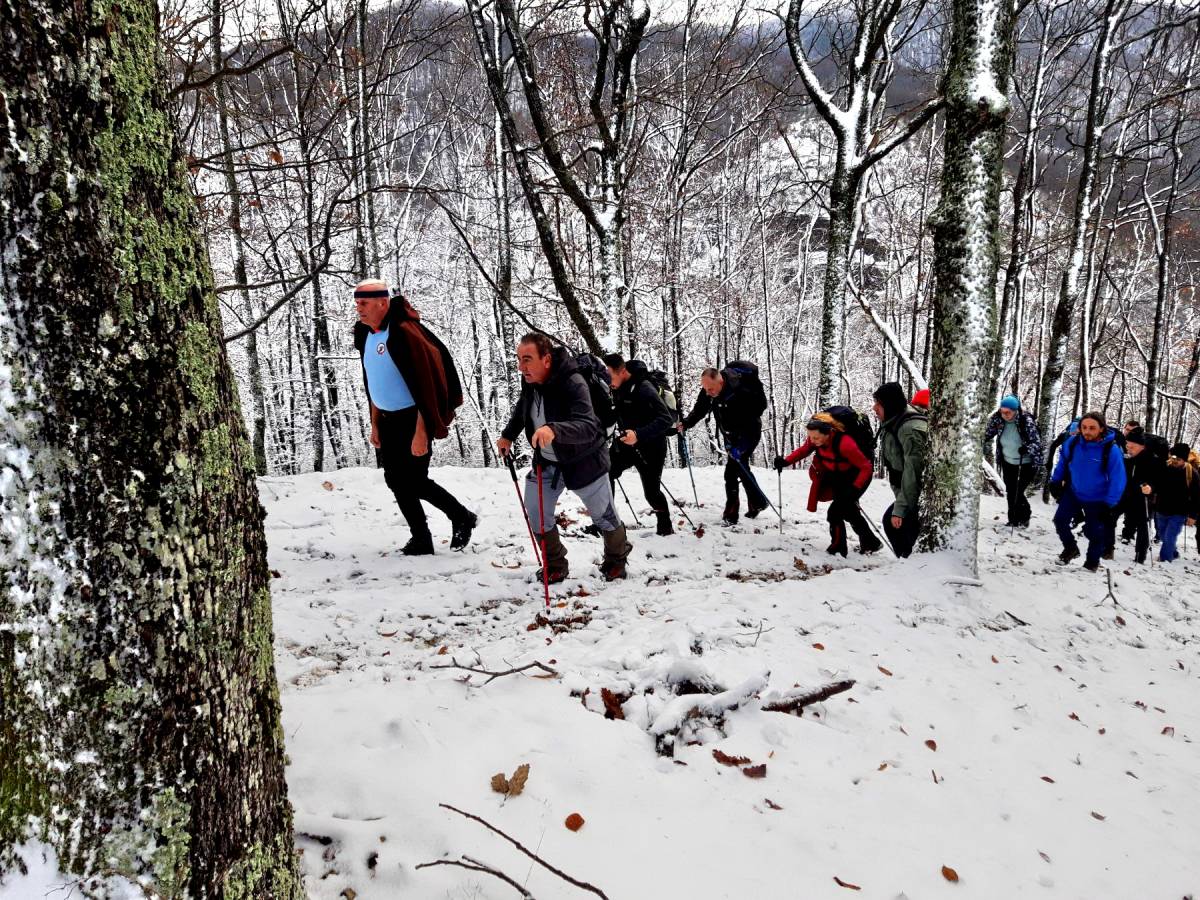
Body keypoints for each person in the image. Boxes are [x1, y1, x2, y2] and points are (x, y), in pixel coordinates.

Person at [352, 279, 476, 556]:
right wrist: (375, 423)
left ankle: (462, 516)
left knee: (415, 480)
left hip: (412, 419)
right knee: (395, 480)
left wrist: (422, 430)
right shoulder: (366, 335)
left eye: (364, 303)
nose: (358, 309)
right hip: (386, 419)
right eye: (357, 303)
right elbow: (372, 381)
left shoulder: (405, 333)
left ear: (382, 303)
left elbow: (425, 385)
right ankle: (420, 538)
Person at [497, 333, 631, 582]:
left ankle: (616, 559)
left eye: (527, 359)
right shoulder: (531, 380)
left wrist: (554, 430)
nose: (520, 366)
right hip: (548, 462)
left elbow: (589, 425)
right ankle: (555, 564)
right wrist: (508, 435)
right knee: (536, 511)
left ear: (546, 359)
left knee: (604, 515)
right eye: (518, 359)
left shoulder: (573, 382)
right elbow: (524, 406)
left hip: (585, 461)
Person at [773, 412, 882, 556]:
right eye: (811, 437)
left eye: (816, 437)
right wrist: (786, 461)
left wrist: (855, 488)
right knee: (849, 511)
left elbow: (866, 467)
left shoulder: (845, 443)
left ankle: (838, 548)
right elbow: (804, 450)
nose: (813, 440)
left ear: (828, 433)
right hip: (836, 476)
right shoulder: (816, 439)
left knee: (835, 512)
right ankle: (871, 542)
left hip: (856, 478)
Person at [678, 362, 769, 525]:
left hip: (749, 433)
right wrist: (686, 423)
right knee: (741, 467)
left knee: (732, 471)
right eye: (705, 389)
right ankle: (757, 502)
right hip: (730, 434)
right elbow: (700, 409)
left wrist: (741, 446)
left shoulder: (742, 390)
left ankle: (731, 513)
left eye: (710, 389)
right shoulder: (710, 390)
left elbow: (757, 411)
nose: (707, 392)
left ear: (721, 382)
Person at [604, 354, 676, 536]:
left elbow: (666, 419)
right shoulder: (618, 387)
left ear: (622, 371)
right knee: (606, 472)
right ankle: (606, 523)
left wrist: (638, 434)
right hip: (626, 444)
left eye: (610, 375)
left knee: (651, 493)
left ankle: (665, 525)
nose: (608, 380)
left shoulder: (644, 388)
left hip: (652, 447)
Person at [1046, 411, 1126, 571]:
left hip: (1098, 498)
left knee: (1094, 532)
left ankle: (1091, 563)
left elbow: (1118, 479)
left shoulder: (1111, 450)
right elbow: (1062, 462)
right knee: (1060, 521)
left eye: (1092, 428)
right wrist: (1055, 481)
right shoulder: (1072, 443)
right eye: (1084, 427)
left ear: (1102, 429)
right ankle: (1071, 548)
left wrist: (1109, 504)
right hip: (1074, 492)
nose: (1087, 431)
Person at [872, 381, 928, 557]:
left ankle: (910, 568)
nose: (874, 408)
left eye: (878, 404)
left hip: (916, 494)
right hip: (906, 491)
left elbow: (913, 474)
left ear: (889, 405)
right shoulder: (893, 420)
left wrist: (901, 509)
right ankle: (908, 565)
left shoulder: (909, 429)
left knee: (894, 524)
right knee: (896, 527)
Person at [983, 395, 1042, 528]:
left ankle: (1025, 515)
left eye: (1008, 412)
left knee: (1018, 491)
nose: (1005, 415)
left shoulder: (1025, 420)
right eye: (1002, 411)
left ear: (1016, 410)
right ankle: (1013, 519)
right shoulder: (998, 419)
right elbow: (988, 433)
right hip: (1008, 461)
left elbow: (1036, 442)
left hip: (1026, 463)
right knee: (1011, 491)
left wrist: (1027, 448)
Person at [1111, 428, 1161, 564]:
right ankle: (1108, 548)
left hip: (1142, 498)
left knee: (1143, 527)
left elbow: (1159, 481)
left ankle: (1141, 555)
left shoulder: (1153, 460)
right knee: (1110, 516)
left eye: (1132, 446)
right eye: (1127, 445)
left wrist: (1150, 488)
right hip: (1125, 495)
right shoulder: (1127, 458)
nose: (1128, 448)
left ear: (1142, 446)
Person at [1151, 443, 1199, 563]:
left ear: (1184, 460)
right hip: (1161, 508)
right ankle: (1173, 552)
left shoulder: (1192, 474)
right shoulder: (1164, 468)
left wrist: (1193, 515)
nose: (1174, 461)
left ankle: (1164, 559)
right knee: (1162, 535)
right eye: (1173, 458)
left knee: (1169, 536)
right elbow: (1155, 484)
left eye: (1178, 459)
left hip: (1179, 511)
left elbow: (1196, 497)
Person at [1042, 418, 1081, 504]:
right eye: (1072, 432)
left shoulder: (1068, 435)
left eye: (1075, 433)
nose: (1073, 434)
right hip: (1066, 464)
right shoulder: (1066, 435)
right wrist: (1050, 461)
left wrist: (1050, 461)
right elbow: (1053, 446)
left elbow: (1053, 446)